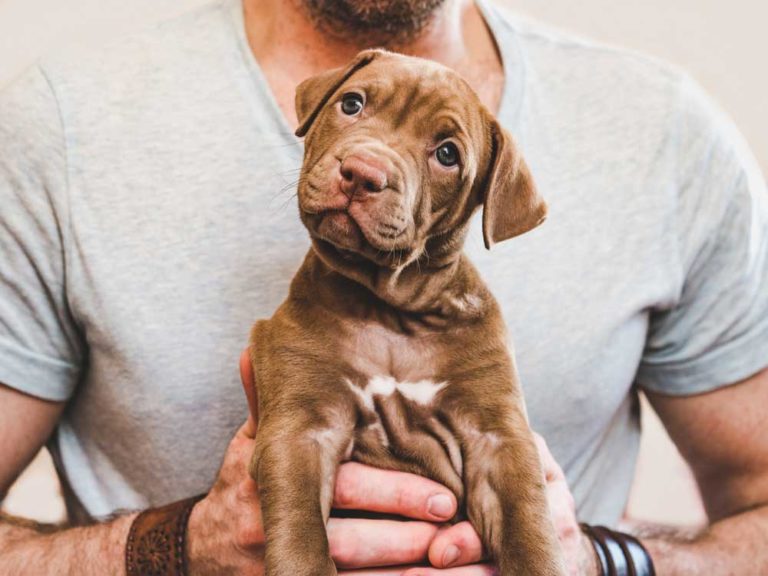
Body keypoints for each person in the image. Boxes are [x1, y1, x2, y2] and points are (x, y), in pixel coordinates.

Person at [0, 0, 766, 573]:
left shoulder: (670, 136)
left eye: (442, 156)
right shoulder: (63, 124)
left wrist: (602, 562)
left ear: (480, 201)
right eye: (353, 109)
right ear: (322, 109)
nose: (367, 161)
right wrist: (167, 549)